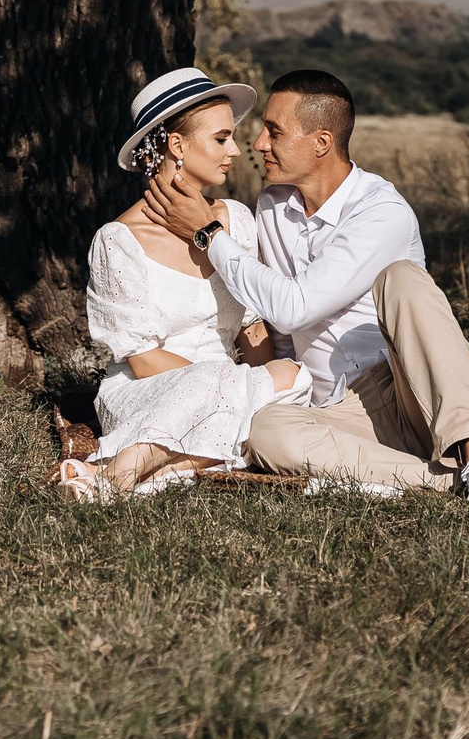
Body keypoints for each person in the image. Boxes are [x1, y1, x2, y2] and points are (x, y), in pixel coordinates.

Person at [143, 69, 469, 515]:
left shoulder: (381, 211)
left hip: (409, 391)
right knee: (264, 431)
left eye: (274, 131)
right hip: (337, 409)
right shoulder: (272, 206)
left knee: (403, 279)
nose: (258, 145)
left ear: (321, 142)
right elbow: (274, 321)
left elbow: (295, 307)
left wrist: (208, 235)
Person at [51, 69, 311, 502]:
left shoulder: (236, 221)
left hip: (234, 384)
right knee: (260, 383)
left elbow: (253, 330)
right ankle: (121, 476)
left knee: (295, 378)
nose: (235, 149)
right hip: (150, 392)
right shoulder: (118, 242)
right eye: (221, 138)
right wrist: (240, 384)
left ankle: (120, 475)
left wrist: (259, 379)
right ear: (177, 145)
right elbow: (142, 360)